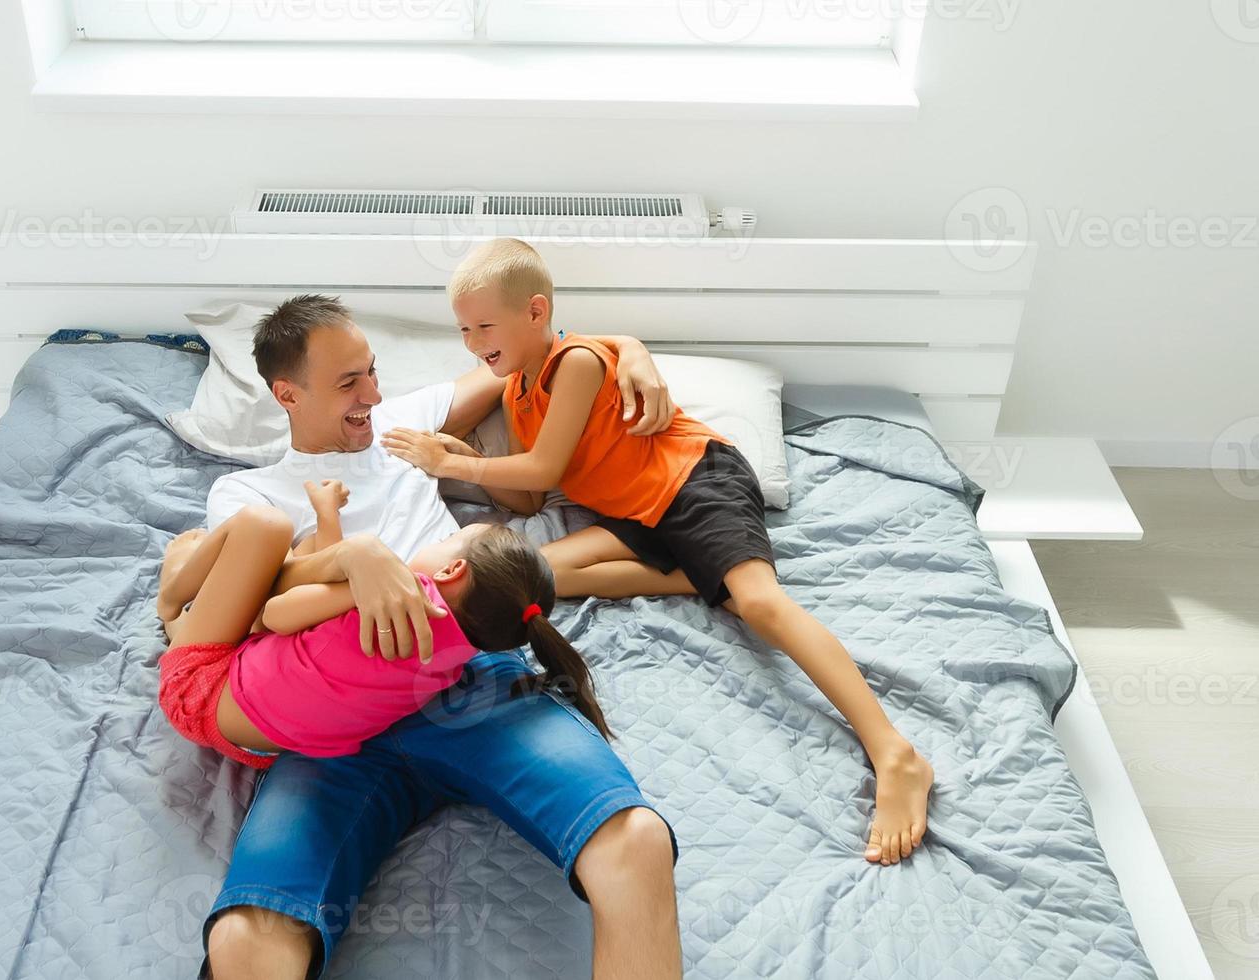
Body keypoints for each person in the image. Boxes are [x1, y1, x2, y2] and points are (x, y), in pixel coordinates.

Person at [381, 237, 935, 868]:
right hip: (635, 512)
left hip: (694, 481)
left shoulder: (577, 362)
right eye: (462, 330)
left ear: (536, 312)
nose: (473, 343)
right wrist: (478, 464)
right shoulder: (517, 393)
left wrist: (448, 459)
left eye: (484, 326)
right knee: (544, 576)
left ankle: (894, 751)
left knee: (758, 603)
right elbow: (533, 498)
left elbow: (547, 462)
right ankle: (702, 578)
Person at [185, 294, 683, 980]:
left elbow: (536, 350)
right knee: (246, 937)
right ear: (286, 393)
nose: (373, 393)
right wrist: (351, 557)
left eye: (373, 371)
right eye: (349, 382)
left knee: (637, 841)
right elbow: (247, 608)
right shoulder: (246, 496)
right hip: (333, 717)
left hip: (465, 677)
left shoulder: (399, 424)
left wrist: (628, 346)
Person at [156, 500, 612, 767]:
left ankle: (171, 597)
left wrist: (353, 580)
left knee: (264, 525)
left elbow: (275, 614)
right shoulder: (457, 659)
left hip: (197, 692)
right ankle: (181, 624)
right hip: (258, 745)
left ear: (452, 569)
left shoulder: (405, 596)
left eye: (451, 537)